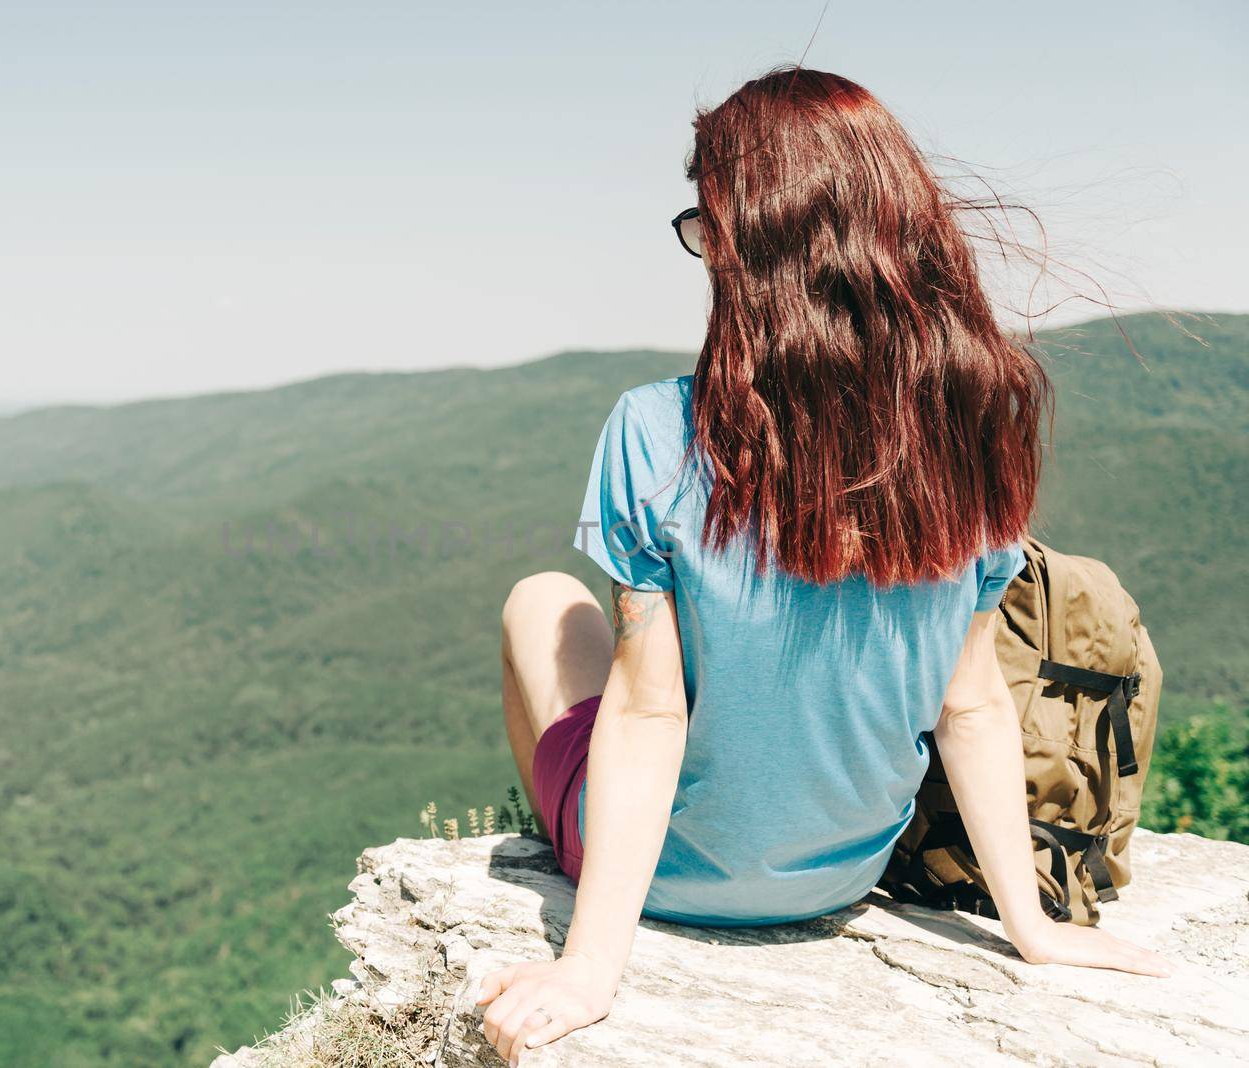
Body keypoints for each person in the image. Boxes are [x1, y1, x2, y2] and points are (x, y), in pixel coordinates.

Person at [480, 68, 1172, 1065]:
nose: (701, 246)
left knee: (541, 602)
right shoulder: (975, 444)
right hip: (839, 878)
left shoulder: (655, 430)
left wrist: (588, 969)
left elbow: (647, 711)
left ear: (752, 238)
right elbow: (969, 704)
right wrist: (1032, 928)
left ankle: (578, 855)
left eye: (706, 221)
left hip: (671, 876)